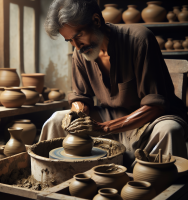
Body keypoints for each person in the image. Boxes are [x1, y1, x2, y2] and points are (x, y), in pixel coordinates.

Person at [39, 0, 188, 167]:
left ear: (96, 21)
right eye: (69, 41)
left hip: (151, 120)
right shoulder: (80, 53)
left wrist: (104, 128)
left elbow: (156, 106)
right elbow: (81, 97)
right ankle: (53, 179)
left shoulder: (139, 39)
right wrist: (77, 114)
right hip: (111, 116)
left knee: (169, 130)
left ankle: (156, 187)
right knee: (56, 120)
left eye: (78, 36)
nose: (76, 46)